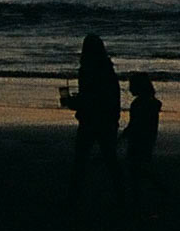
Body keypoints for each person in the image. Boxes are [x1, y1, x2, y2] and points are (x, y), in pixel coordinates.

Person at [68, 33, 123, 203]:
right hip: (105, 121)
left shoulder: (87, 71)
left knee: (81, 160)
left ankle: (75, 196)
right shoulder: (107, 70)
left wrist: (75, 103)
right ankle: (121, 194)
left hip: (91, 120)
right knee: (109, 159)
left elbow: (90, 98)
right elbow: (110, 97)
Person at [122, 74, 163, 206]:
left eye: (131, 86)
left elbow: (135, 123)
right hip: (148, 138)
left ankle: (138, 198)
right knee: (139, 168)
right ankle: (154, 188)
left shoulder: (138, 104)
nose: (129, 89)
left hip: (138, 139)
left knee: (135, 170)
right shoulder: (152, 103)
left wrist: (126, 133)